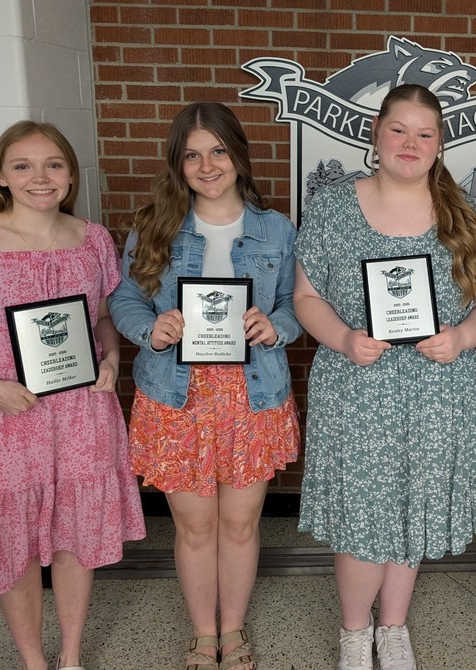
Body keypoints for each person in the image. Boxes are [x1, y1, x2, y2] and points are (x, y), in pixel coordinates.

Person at [0, 121, 145, 670]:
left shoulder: (91, 240)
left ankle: (70, 656)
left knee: (74, 536)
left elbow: (105, 317)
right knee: (12, 543)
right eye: (23, 165)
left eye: (53, 165)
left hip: (82, 412)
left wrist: (110, 358)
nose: (40, 177)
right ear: (1, 175)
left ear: (70, 175)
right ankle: (34, 661)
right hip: (6, 416)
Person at [293, 83, 476, 670]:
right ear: (376, 135)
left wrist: (462, 337)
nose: (410, 143)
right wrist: (343, 338)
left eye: (424, 133)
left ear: (440, 144)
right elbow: (306, 297)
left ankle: (394, 627)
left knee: (413, 506)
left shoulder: (468, 213)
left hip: (439, 389)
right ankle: (356, 634)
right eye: (398, 129)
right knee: (365, 512)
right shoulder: (333, 206)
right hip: (359, 385)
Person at [109, 102, 300, 670]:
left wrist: (276, 325)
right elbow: (124, 299)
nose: (207, 164)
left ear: (237, 156)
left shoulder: (275, 229)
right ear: (178, 163)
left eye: (217, 150)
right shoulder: (155, 226)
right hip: (176, 395)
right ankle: (203, 635)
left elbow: (295, 303)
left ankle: (234, 631)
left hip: (253, 393)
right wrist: (152, 328)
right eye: (192, 154)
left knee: (240, 525)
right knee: (195, 529)